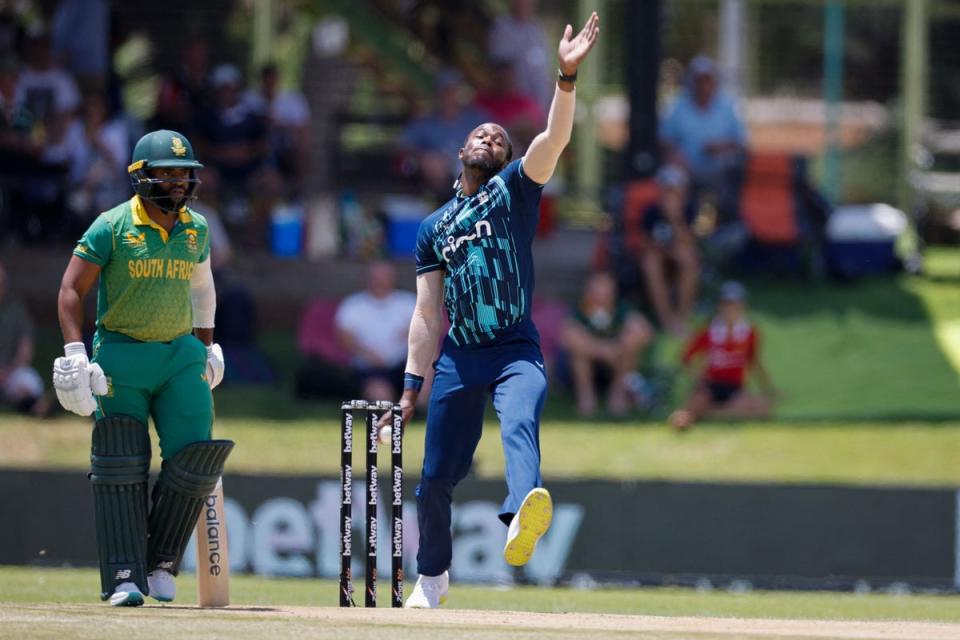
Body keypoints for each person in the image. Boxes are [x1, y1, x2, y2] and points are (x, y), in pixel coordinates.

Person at [384, 11, 600, 608]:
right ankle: (432, 579)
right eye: (480, 135)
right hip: (459, 356)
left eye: (499, 139)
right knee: (434, 479)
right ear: (460, 150)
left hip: (513, 349)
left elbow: (553, 139)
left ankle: (520, 515)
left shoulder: (514, 190)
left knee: (521, 419)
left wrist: (565, 75)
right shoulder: (433, 228)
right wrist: (409, 391)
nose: (489, 139)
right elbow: (427, 315)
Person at [53, 129, 233, 607]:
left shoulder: (196, 227)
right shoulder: (111, 226)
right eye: (168, 173)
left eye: (185, 174)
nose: (178, 182)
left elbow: (202, 289)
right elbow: (71, 290)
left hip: (180, 356)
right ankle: (123, 577)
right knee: (121, 463)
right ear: (141, 177)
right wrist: (76, 354)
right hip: (121, 354)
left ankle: (159, 563)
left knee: (196, 456)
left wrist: (208, 346)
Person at [668, 281, 777, 431]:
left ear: (742, 306)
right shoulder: (709, 331)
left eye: (734, 304)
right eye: (726, 304)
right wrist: (698, 375)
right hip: (710, 386)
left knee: (763, 408)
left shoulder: (750, 333)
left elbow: (754, 362)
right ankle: (708, 413)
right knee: (692, 407)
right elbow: (685, 357)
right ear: (720, 306)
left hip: (734, 388)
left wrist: (768, 389)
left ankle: (711, 414)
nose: (730, 309)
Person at [660, 55, 747, 226]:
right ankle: (677, 230)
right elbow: (665, 140)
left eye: (707, 80)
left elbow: (742, 142)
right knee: (671, 177)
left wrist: (722, 146)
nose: (703, 86)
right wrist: (676, 156)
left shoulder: (728, 106)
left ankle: (726, 230)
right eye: (699, 80)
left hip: (720, 170)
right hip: (687, 169)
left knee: (734, 175)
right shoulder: (678, 106)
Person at [560, 271, 652, 417]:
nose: (601, 294)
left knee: (630, 349)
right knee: (579, 355)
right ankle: (586, 399)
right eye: (597, 288)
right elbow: (567, 338)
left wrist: (620, 345)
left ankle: (617, 396)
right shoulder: (579, 311)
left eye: (606, 288)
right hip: (582, 369)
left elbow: (644, 332)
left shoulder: (622, 309)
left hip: (614, 364)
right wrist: (602, 350)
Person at [397, 68, 489, 201]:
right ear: (438, 95)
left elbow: (502, 140)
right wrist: (425, 157)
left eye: (454, 90)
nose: (450, 96)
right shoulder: (425, 122)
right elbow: (403, 147)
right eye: (446, 91)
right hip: (440, 173)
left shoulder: (476, 118)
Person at [335, 260, 416, 402]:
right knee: (380, 394)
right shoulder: (353, 305)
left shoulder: (409, 302)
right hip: (368, 369)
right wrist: (369, 355)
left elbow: (424, 332)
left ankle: (423, 414)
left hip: (405, 366)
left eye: (385, 277)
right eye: (376, 277)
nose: (380, 282)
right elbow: (345, 337)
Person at [639, 165, 700, 335]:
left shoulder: (688, 210)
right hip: (657, 254)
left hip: (679, 252)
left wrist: (675, 218)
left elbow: (690, 242)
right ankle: (665, 317)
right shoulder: (651, 211)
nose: (670, 195)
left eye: (674, 191)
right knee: (650, 264)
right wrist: (660, 248)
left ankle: (681, 316)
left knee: (689, 260)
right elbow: (644, 242)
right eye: (667, 190)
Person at [0, 262, 50, 417]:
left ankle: (32, 406)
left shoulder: (16, 312)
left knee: (29, 382)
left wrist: (8, 371)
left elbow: (25, 349)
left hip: (10, 371)